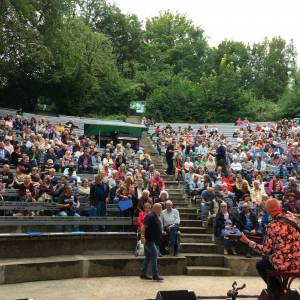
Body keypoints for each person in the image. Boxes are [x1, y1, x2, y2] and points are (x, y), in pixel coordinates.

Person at [240, 198, 300, 300]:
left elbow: (266, 250)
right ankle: (282, 291)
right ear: (280, 207)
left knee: (261, 264)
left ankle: (278, 292)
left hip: (284, 265)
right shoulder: (296, 219)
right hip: (299, 263)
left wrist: (248, 242)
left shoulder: (272, 226)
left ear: (268, 211)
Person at [140, 203, 164, 281]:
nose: (161, 210)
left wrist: (161, 232)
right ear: (155, 209)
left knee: (148, 257)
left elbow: (154, 227)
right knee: (154, 255)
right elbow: (143, 226)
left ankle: (143, 274)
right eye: (160, 208)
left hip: (152, 240)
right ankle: (155, 275)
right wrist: (143, 237)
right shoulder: (150, 216)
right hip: (149, 240)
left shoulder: (155, 216)